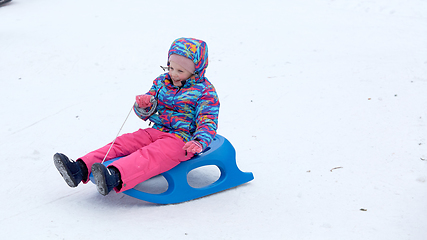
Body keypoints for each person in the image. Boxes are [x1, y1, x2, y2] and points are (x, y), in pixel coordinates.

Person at [54, 38, 220, 196]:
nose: (173, 74)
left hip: (182, 141)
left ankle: (113, 176)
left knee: (151, 154)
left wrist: (198, 141)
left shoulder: (205, 92)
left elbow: (208, 121)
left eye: (180, 71)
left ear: (195, 71)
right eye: (170, 68)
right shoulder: (163, 82)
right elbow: (147, 111)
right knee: (123, 143)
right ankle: (79, 168)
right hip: (156, 131)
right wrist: (144, 105)